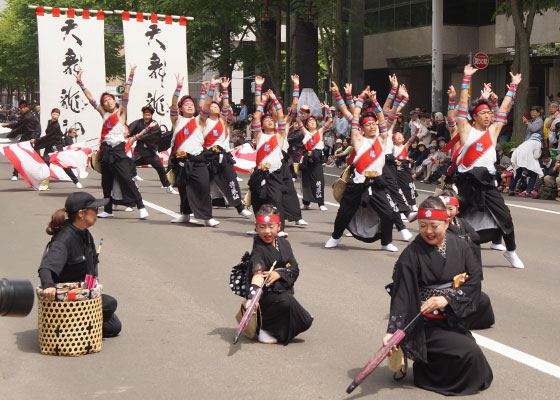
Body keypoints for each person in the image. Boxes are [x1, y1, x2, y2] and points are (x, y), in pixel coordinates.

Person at [383, 196, 493, 395]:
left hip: (450, 317)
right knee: (470, 354)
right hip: (425, 324)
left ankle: (431, 368)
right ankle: (425, 374)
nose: (428, 231)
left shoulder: (459, 244)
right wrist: (393, 332)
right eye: (423, 225)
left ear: (447, 222)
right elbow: (401, 295)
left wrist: (448, 298)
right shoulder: (411, 255)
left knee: (478, 365)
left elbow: (475, 277)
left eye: (434, 225)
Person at [454, 65, 524, 268]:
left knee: (505, 217)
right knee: (454, 217)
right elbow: (462, 103)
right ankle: (444, 248)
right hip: (466, 182)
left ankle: (510, 251)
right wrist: (466, 78)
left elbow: (504, 108)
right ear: (474, 116)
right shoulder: (465, 130)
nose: (487, 116)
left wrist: (513, 87)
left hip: (487, 182)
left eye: (488, 113)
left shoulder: (493, 131)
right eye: (482, 113)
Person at [325, 84, 398, 252]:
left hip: (377, 182)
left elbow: (382, 118)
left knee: (388, 214)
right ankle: (336, 236)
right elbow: (354, 117)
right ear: (362, 129)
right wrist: (358, 101)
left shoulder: (382, 139)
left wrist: (374, 102)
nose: (373, 127)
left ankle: (386, 242)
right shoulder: (358, 140)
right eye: (368, 125)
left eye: (374, 124)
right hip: (358, 182)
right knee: (344, 212)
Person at [38, 192, 121, 338]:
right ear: (81, 213)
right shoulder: (63, 239)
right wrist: (48, 286)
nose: (97, 213)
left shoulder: (84, 233)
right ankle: (70, 326)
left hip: (83, 294)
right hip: (67, 299)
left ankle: (74, 327)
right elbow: (46, 267)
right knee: (110, 303)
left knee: (113, 327)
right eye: (95, 210)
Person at [74, 67, 149, 220]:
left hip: (119, 150)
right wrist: (80, 82)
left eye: (109, 99)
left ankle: (141, 206)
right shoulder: (103, 113)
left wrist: (131, 75)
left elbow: (126, 93)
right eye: (104, 101)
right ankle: (108, 209)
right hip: (106, 151)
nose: (107, 102)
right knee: (106, 182)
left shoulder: (120, 112)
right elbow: (90, 98)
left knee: (127, 179)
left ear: (114, 100)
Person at [243, 204, 313, 344]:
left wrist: (278, 273)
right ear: (256, 227)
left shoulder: (284, 244)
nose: (267, 231)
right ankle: (262, 328)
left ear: (279, 226)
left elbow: (294, 268)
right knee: (286, 302)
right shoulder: (258, 249)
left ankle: (276, 326)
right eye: (262, 227)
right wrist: (252, 299)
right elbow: (257, 274)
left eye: (271, 227)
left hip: (282, 292)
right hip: (266, 297)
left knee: (305, 321)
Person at [168, 75, 220, 226]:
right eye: (186, 104)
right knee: (184, 189)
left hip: (197, 160)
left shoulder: (200, 120)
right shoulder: (176, 120)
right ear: (180, 108)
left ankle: (208, 217)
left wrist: (212, 87)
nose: (190, 106)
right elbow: (172, 104)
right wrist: (178, 86)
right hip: (181, 160)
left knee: (203, 187)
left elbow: (208, 104)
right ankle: (185, 214)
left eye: (191, 104)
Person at [202, 77, 251, 218]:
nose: (214, 107)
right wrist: (211, 88)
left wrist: (224, 89)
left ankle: (240, 207)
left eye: (216, 106)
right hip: (206, 156)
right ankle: (200, 208)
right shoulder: (203, 121)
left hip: (222, 156)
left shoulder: (224, 122)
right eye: (211, 106)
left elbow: (227, 109)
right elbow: (204, 105)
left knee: (231, 180)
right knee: (203, 183)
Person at [128, 105, 177, 194]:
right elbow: (128, 130)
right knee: (129, 165)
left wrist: (138, 137)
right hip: (139, 151)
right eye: (145, 115)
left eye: (148, 115)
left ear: (151, 115)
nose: (147, 117)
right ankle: (132, 183)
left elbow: (152, 137)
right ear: (143, 115)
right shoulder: (138, 123)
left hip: (150, 152)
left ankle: (168, 186)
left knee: (161, 169)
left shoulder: (154, 124)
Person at [32, 108, 82, 189]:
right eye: (54, 114)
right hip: (49, 145)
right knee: (45, 163)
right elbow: (48, 137)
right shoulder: (49, 122)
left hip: (56, 146)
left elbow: (49, 136)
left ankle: (76, 181)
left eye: (57, 115)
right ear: (51, 114)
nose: (55, 116)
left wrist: (36, 140)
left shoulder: (56, 125)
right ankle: (43, 184)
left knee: (63, 163)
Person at [299, 103, 332, 211]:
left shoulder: (320, 132)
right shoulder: (305, 133)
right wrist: (302, 109)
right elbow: (298, 120)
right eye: (310, 122)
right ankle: (306, 203)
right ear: (307, 126)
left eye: (314, 121)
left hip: (317, 157)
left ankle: (321, 203)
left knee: (318, 180)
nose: (312, 122)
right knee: (306, 180)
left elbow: (330, 121)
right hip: (307, 158)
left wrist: (328, 109)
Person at [2, 100, 41, 180]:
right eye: (21, 108)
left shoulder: (28, 116)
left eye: (23, 108)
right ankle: (15, 174)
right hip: (26, 137)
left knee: (36, 158)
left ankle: (39, 174)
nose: (22, 109)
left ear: (27, 108)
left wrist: (8, 126)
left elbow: (19, 125)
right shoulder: (26, 115)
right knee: (20, 155)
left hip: (32, 138)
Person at [508, 133, 543, 198]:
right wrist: (539, 154)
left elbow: (516, 150)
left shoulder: (526, 142)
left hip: (518, 158)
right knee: (533, 175)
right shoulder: (538, 143)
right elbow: (535, 156)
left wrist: (513, 160)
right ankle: (528, 191)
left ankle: (511, 190)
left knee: (517, 174)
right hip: (527, 159)